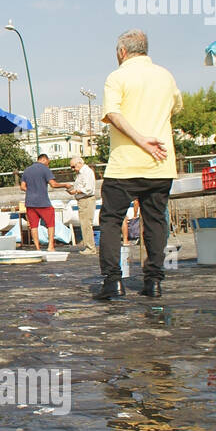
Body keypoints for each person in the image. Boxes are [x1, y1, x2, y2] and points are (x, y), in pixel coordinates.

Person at [94, 29, 182, 300]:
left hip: (125, 164)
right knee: (155, 220)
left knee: (111, 220)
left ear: (122, 52)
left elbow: (113, 113)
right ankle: (153, 281)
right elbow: (175, 108)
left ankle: (112, 282)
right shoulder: (166, 76)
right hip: (160, 163)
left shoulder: (117, 77)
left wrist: (141, 139)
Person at [20, 154, 68, 251]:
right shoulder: (45, 169)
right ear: (43, 159)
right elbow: (53, 184)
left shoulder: (27, 170)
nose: (48, 165)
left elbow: (22, 187)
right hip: (43, 202)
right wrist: (65, 185)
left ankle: (37, 248)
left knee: (33, 226)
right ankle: (50, 246)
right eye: (48, 163)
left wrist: (31, 191)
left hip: (30, 202)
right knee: (50, 223)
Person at [67, 155, 97, 253]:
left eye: (73, 166)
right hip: (83, 200)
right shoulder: (81, 173)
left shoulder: (86, 172)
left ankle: (90, 248)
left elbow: (88, 189)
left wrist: (75, 191)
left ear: (79, 163)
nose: (73, 169)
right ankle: (88, 245)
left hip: (86, 200)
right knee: (84, 224)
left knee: (86, 224)